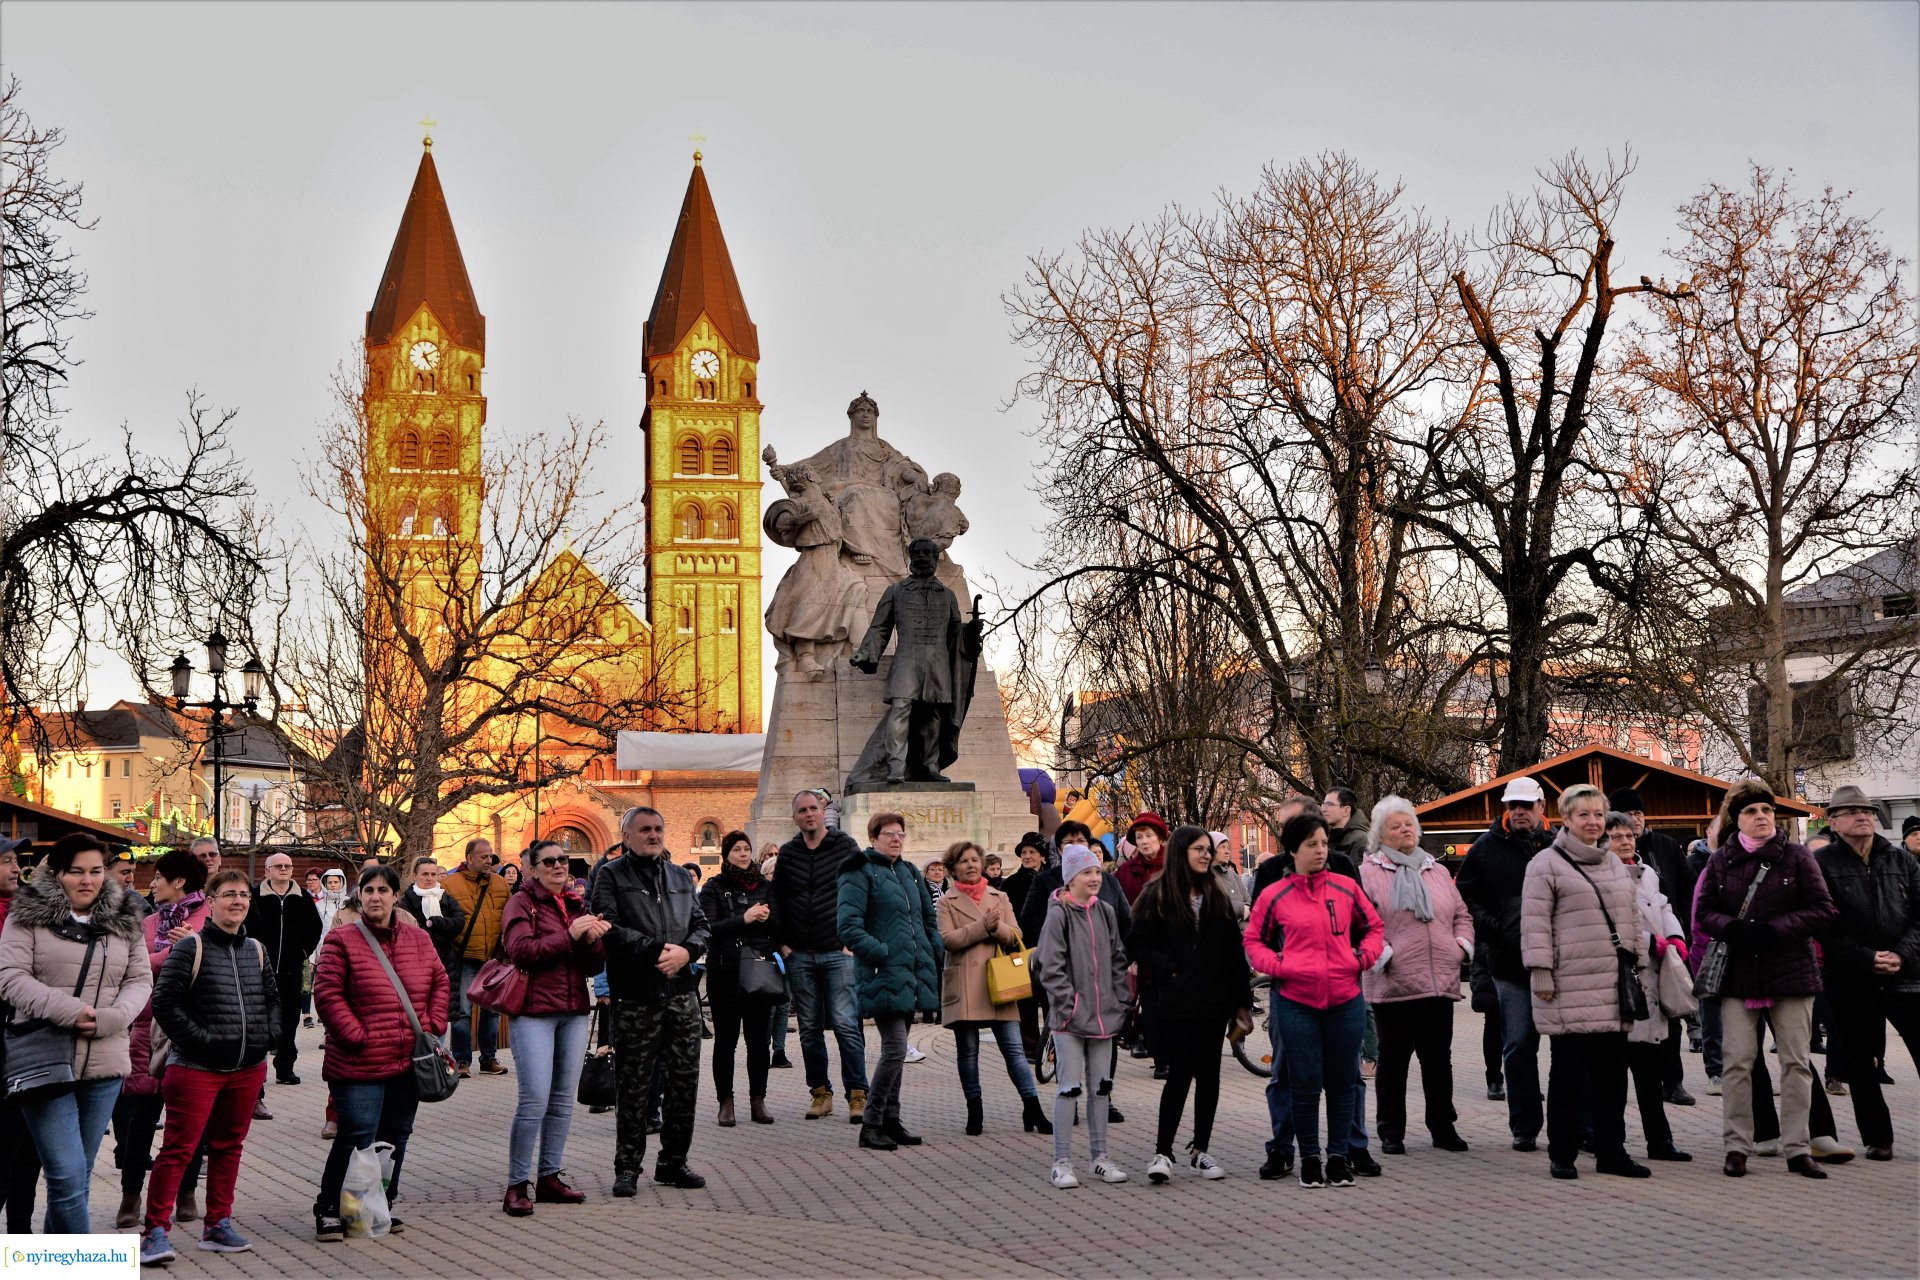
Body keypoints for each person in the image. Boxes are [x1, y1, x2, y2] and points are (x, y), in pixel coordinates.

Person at [0, 833, 152, 1233]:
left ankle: (51, 1264)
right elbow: (11, 978)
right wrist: (70, 1011)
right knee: (66, 1176)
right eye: (77, 871)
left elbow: (140, 979)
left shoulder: (124, 918)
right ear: (58, 873)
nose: (88, 880)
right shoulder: (26, 914)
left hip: (105, 1060)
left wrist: (114, 1018)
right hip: (44, 1060)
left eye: (96, 871)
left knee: (77, 1179)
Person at [1696, 779, 1840, 1179]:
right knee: (1737, 1063)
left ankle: (1797, 1147)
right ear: (1736, 820)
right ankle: (1737, 1146)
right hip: (1739, 977)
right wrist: (1734, 929)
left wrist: (1777, 929)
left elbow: (1824, 909)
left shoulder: (1796, 856)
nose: (1761, 817)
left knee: (1796, 1062)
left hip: (1790, 972)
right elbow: (1704, 912)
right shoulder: (1719, 860)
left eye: (1766, 811)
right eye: (1751, 812)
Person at [138, 868, 277, 1263]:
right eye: (229, 894)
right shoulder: (190, 947)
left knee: (229, 1147)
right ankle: (154, 1234)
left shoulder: (256, 950)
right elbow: (165, 1004)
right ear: (210, 901)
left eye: (244, 895)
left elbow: (272, 1000)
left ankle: (217, 1224)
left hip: (247, 1067)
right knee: (179, 1149)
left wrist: (268, 1037)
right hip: (195, 1068)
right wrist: (202, 1041)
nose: (237, 901)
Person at [310, 864, 450, 1242]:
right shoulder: (342, 940)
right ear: (360, 896)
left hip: (409, 1059)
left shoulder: (418, 939)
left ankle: (377, 1204)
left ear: (393, 896)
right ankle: (330, 1209)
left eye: (382, 890)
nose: (375, 897)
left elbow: (440, 979)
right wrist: (355, 1034)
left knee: (396, 1136)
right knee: (357, 1135)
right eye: (368, 890)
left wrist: (434, 1024)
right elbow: (327, 994)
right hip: (359, 1059)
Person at [1522, 783, 1651, 1181]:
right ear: (1565, 819)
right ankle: (1562, 1154)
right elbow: (1535, 923)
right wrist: (1540, 970)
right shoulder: (1546, 864)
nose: (1593, 822)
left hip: (1612, 986)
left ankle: (1613, 1153)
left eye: (1598, 814)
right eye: (1584, 815)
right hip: (1568, 987)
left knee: (1613, 1079)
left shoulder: (1612, 862)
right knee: (1568, 1079)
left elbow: (1630, 915)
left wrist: (1639, 960)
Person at [1245, 815, 1383, 1189]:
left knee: (1342, 1083)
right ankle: (1309, 1159)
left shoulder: (1345, 888)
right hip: (1295, 1001)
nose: (1320, 850)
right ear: (1293, 850)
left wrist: (1360, 960)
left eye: (1323, 843)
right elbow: (1253, 940)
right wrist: (1279, 966)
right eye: (1311, 844)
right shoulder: (1276, 894)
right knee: (1303, 1083)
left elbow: (1374, 928)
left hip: (1345, 999)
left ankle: (1338, 1158)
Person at [589, 806, 710, 1194]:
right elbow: (608, 927)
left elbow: (701, 926)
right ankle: (627, 1167)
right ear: (626, 836)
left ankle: (673, 1163)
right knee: (635, 1084)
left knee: (683, 1083)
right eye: (644, 830)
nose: (653, 835)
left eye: (658, 828)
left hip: (681, 995)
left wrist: (687, 953)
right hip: (636, 995)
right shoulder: (610, 876)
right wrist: (658, 950)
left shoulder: (679, 877)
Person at [1129, 826, 1251, 1183]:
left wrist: (1242, 1002)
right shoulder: (1159, 894)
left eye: (1207, 850)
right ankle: (1163, 1151)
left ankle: (1201, 1148)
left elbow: (1233, 953)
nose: (1205, 855)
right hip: (1177, 1000)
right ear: (1181, 852)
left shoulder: (1215, 894)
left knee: (1209, 1076)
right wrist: (1171, 969)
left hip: (1214, 1001)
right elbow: (1137, 943)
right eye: (1198, 849)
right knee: (1179, 1075)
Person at [1357, 797, 1474, 1155]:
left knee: (1438, 1059)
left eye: (1409, 824)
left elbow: (1461, 914)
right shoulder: (1368, 873)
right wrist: (1385, 953)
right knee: (1393, 1060)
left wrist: (1460, 947)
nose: (1405, 829)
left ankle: (1443, 1128)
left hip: (1440, 980)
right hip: (1394, 981)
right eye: (1395, 826)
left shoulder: (1435, 870)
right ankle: (1391, 1131)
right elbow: (1360, 924)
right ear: (1380, 835)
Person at [499, 839, 607, 1216]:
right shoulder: (522, 902)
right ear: (531, 868)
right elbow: (522, 952)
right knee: (534, 1099)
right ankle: (516, 1184)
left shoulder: (576, 902)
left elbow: (593, 967)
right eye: (550, 862)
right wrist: (572, 935)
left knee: (562, 1099)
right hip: (533, 1011)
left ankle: (548, 1177)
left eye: (564, 860)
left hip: (574, 1008)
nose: (559, 866)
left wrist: (593, 941)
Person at [1814, 785, 1920, 1162]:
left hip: (1906, 975)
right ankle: (1878, 1138)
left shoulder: (1902, 859)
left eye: (1868, 811)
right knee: (1860, 1062)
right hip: (1852, 977)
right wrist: (1864, 957)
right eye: (1853, 811)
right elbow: (1823, 925)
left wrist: (1902, 955)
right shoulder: (1822, 864)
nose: (1863, 816)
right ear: (1834, 821)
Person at [1456, 775, 1552, 1151]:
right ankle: (1524, 1126)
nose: (1519, 813)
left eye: (1526, 806)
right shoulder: (1485, 847)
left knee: (1568, 1049)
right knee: (1518, 1044)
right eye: (1513, 806)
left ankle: (1576, 1125)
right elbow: (1465, 898)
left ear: (1541, 807)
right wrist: (1497, 930)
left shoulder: (1559, 845)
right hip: (1509, 964)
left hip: (1558, 964)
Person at [117, 848, 210, 1226]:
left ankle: (186, 1193)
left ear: (179, 882)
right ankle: (130, 1197)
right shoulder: (149, 923)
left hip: (191, 1026)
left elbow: (212, 964)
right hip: (146, 1026)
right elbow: (132, 964)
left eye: (158, 877)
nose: (151, 884)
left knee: (188, 1121)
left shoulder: (208, 919)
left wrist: (184, 950)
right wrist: (179, 951)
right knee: (141, 1117)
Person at [838, 812, 940, 1152]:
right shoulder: (860, 871)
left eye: (900, 833)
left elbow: (927, 919)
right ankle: (871, 1123)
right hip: (882, 973)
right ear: (873, 838)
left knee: (898, 1051)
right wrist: (879, 952)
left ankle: (891, 1121)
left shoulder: (911, 872)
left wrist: (934, 952)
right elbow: (849, 926)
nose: (896, 839)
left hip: (911, 972)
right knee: (895, 1048)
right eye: (888, 834)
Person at [1033, 843, 1132, 1189]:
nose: (1094, 876)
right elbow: (1050, 965)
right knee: (1069, 1089)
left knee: (1101, 1088)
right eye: (1087, 872)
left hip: (1104, 1017)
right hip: (1070, 1020)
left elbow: (1118, 959)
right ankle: (1061, 1162)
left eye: (1096, 870)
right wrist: (1070, 1004)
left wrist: (1120, 998)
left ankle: (1100, 1158)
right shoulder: (1058, 913)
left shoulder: (1104, 911)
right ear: (1071, 877)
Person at [935, 840, 1048, 1136]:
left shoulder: (999, 895)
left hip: (1001, 984)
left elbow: (1016, 935)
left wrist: (996, 928)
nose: (971, 865)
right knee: (968, 1052)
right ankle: (975, 1111)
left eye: (975, 859)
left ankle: (1033, 1108)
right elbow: (948, 940)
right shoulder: (947, 901)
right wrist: (983, 927)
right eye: (964, 861)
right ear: (953, 869)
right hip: (965, 984)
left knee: (1014, 1051)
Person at [769, 789, 869, 1123]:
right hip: (800, 954)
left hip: (838, 952)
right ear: (795, 817)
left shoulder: (845, 847)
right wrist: (782, 944)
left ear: (823, 811)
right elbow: (777, 900)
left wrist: (851, 941)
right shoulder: (789, 853)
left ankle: (858, 1094)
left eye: (814, 808)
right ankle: (820, 1093)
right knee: (810, 1029)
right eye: (802, 810)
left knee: (845, 1025)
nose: (809, 814)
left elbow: (863, 892)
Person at [1604, 811, 1693, 1163]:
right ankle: (1611, 1141)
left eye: (1629, 836)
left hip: (1653, 982)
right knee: (1615, 1075)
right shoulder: (1601, 877)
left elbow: (1664, 905)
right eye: (1617, 837)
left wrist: (1674, 935)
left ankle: (1660, 1140)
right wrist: (1645, 943)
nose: (1626, 842)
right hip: (1621, 985)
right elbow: (1604, 926)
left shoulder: (1649, 873)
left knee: (1649, 1070)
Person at [697, 831, 779, 1128]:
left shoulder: (765, 886)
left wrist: (767, 918)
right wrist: (743, 919)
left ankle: (758, 1100)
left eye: (747, 849)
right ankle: (726, 1102)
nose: (743, 854)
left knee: (759, 1042)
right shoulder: (714, 887)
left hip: (758, 970)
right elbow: (708, 927)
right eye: (737, 850)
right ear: (726, 854)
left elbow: (779, 924)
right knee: (726, 1041)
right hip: (725, 971)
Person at [247, 851, 323, 1087]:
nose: (283, 869)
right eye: (277, 866)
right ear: (267, 870)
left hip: (291, 970)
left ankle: (285, 1068)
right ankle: (255, 1074)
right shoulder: (255, 896)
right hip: (259, 970)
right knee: (258, 1021)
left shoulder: (301, 898)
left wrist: (302, 953)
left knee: (290, 1021)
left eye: (287, 866)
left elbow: (315, 928)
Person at [0, 836, 41, 1235]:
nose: (16, 869)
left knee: (28, 1149)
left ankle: (21, 1236)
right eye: (7, 861)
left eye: (16, 861)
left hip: (26, 1050)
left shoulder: (27, 913)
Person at [444, 839, 511, 1078]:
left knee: (492, 1011)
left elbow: (508, 918)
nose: (488, 861)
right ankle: (461, 1061)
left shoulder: (501, 883)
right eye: (483, 857)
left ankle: (489, 1058)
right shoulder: (450, 884)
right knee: (462, 1011)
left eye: (490, 856)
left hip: (493, 958)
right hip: (464, 957)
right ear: (469, 858)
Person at [400, 856, 468, 986]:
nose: (430, 878)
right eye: (425, 874)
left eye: (433, 874)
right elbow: (410, 930)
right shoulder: (406, 901)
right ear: (414, 876)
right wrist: (441, 931)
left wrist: (436, 922)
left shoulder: (445, 898)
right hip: (417, 960)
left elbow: (459, 922)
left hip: (447, 962)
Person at [1113, 811, 1171, 905]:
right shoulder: (1125, 871)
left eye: (1149, 835)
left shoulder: (1174, 866)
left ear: (1160, 838)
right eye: (1139, 837)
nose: (1144, 841)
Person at [1324, 788, 1370, 863]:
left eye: (1330, 804)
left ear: (1346, 810)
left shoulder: (1361, 840)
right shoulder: (1327, 836)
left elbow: (1356, 873)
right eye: (1324, 804)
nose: (1324, 809)